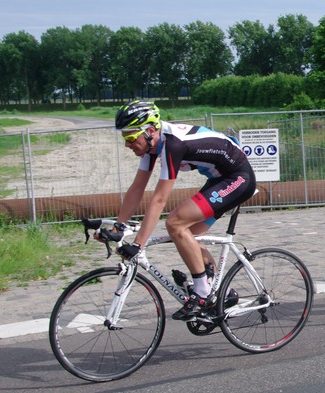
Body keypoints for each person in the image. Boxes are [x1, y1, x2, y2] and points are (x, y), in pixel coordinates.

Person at [101, 100, 257, 320]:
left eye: (131, 138)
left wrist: (138, 244)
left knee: (175, 222)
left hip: (238, 178)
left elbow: (159, 200)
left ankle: (202, 293)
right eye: (124, 138)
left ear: (150, 131)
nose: (127, 144)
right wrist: (118, 226)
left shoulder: (173, 144)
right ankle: (220, 292)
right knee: (186, 236)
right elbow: (137, 189)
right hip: (219, 179)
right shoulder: (152, 146)